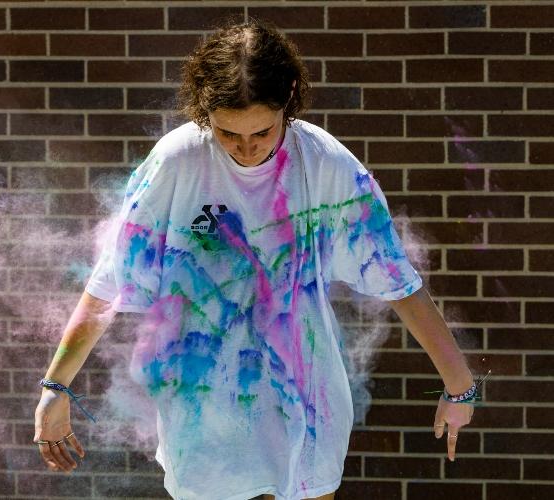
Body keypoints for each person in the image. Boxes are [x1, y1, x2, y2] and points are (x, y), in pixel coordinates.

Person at [33, 18, 478, 500]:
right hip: (203, 413)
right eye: (228, 135)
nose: (246, 149)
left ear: (289, 97)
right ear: (205, 111)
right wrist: (56, 388)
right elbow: (110, 282)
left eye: (263, 132)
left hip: (305, 405)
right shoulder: (176, 162)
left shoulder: (325, 163)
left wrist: (459, 384)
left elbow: (397, 281)